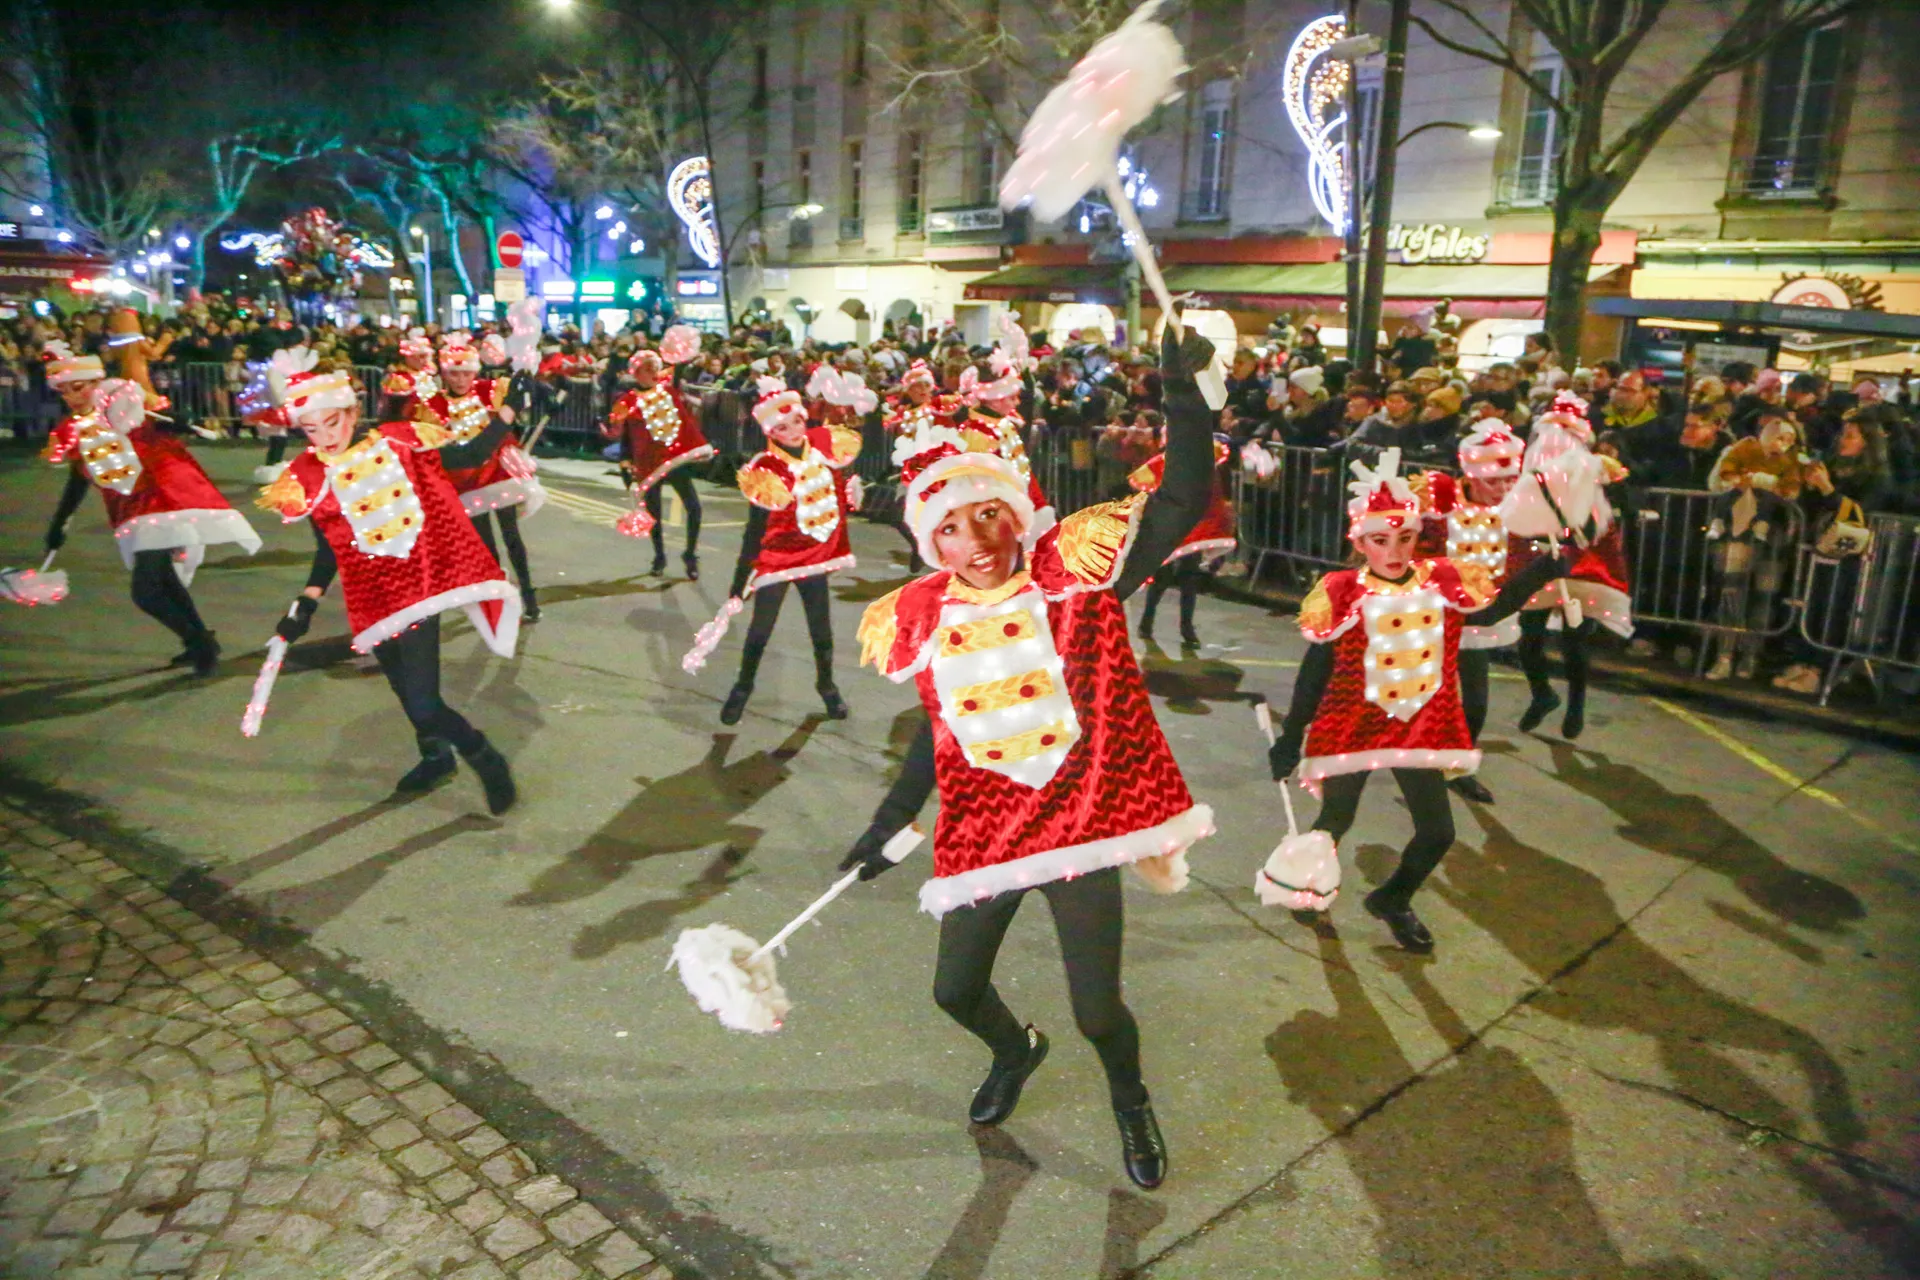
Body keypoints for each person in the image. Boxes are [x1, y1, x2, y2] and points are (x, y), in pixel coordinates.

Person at [842, 325, 1225, 1191]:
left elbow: (1181, 497)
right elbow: (941, 732)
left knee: (1098, 1010)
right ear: (930, 542)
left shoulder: (1074, 577)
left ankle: (1130, 1100)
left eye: (989, 514)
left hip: (1077, 825)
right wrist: (889, 822)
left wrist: (1183, 396)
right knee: (953, 991)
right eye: (951, 527)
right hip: (985, 829)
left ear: (1016, 513)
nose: (976, 539)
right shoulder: (924, 613)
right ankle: (1016, 1050)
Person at [1265, 447, 1569, 952]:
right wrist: (1290, 735)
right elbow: (1314, 672)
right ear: (1360, 541)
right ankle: (1308, 885)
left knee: (1438, 833)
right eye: (1380, 540)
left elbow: (1489, 613)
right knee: (1334, 821)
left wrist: (1543, 571)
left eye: (1404, 538)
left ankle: (1393, 898)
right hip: (1352, 722)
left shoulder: (1442, 581)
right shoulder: (1341, 591)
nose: (1395, 550)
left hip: (1419, 722)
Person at [254, 347, 521, 811]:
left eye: (331, 423)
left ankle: (484, 757)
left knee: (424, 702)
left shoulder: (398, 442)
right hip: (370, 595)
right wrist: (307, 602)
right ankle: (436, 756)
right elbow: (329, 547)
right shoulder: (309, 474)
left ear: (351, 412)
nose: (324, 438)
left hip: (417, 588)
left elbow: (470, 455)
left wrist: (507, 415)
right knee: (402, 688)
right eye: (311, 429)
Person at [41, 350, 262, 674]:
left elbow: (164, 422)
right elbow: (78, 477)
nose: (72, 397)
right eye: (64, 391)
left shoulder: (129, 409)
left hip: (159, 502)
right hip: (128, 510)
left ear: (98, 382)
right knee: (166, 582)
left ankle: (201, 644)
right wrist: (60, 522)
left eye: (79, 387)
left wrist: (179, 419)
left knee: (145, 592)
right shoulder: (75, 430)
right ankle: (199, 641)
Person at [713, 376, 864, 724]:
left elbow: (833, 502)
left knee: (821, 629)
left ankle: (827, 686)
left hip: (813, 559)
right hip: (778, 560)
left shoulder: (824, 453)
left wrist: (852, 497)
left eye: (797, 421)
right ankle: (742, 687)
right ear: (771, 432)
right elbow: (754, 531)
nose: (794, 431)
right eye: (782, 427)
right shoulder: (766, 470)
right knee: (760, 630)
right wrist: (740, 580)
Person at [1507, 394, 1634, 737]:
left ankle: (1575, 706)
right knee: (1529, 636)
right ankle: (1543, 694)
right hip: (1541, 563)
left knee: (1574, 640)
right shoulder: (1532, 475)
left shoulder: (1592, 474)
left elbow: (1610, 519)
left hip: (1581, 566)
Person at [1416, 421, 1528, 803]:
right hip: (1435, 617)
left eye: (1509, 480)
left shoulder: (1515, 511)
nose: (1502, 489)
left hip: (1478, 619)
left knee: (1476, 702)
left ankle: (1458, 767)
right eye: (1494, 481)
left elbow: (1518, 560)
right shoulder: (1440, 505)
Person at [410, 333, 545, 621]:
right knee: (486, 546)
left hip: (497, 474)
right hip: (465, 480)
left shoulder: (490, 390)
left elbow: (524, 397)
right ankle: (500, 599)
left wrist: (535, 387)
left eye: (466, 373)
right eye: (454, 373)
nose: (461, 380)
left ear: (475, 371)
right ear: (444, 373)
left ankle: (529, 595)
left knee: (512, 536)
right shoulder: (432, 406)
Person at [607, 346, 715, 579]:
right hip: (649, 463)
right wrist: (625, 464)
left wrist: (684, 354)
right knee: (654, 513)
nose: (653, 373)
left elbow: (680, 369)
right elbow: (626, 437)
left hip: (674, 460)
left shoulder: (668, 391)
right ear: (637, 373)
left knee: (694, 508)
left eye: (654, 368)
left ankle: (690, 554)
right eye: (647, 369)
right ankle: (659, 556)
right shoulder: (628, 401)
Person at [1131, 431, 1236, 647]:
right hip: (1171, 526)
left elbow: (1214, 496)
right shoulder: (1167, 463)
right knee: (1164, 576)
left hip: (1192, 526)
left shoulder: (1206, 464)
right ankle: (1148, 621)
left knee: (1188, 576)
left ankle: (1185, 627)